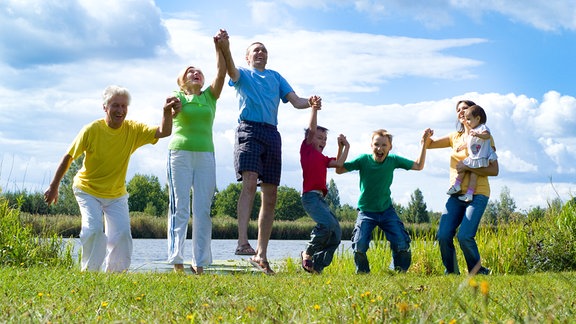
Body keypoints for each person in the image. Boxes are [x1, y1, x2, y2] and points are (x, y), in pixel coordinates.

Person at [44, 85, 180, 272]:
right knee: (93, 230)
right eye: (115, 105)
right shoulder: (91, 130)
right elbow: (68, 157)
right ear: (105, 107)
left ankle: (115, 276)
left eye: (124, 106)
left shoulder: (133, 130)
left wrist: (166, 112)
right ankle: (89, 273)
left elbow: (164, 132)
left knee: (123, 235)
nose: (120, 110)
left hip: (116, 194)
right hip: (87, 189)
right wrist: (54, 187)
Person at [218, 30, 321, 274]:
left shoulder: (276, 77)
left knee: (271, 195)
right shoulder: (242, 74)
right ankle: (243, 242)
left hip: (272, 134)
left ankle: (261, 254)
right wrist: (225, 46)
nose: (261, 52)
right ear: (248, 57)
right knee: (250, 181)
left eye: (264, 49)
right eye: (256, 49)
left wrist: (312, 101)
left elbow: (296, 101)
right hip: (249, 131)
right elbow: (230, 68)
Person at [166, 30, 227, 274]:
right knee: (179, 207)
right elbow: (169, 111)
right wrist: (171, 108)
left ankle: (200, 263)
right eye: (190, 70)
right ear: (182, 79)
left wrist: (218, 47)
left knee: (202, 210)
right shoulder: (177, 96)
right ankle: (177, 261)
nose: (195, 72)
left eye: (199, 71)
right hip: (179, 154)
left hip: (205, 156)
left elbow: (222, 73)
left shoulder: (210, 97)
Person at [336, 128, 431, 274]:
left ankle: (397, 271)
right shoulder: (363, 160)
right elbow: (339, 169)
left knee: (401, 243)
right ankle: (362, 272)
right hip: (366, 212)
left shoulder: (393, 160)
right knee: (359, 245)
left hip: (386, 211)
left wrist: (424, 143)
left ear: (390, 147)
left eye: (384, 145)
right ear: (371, 146)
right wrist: (342, 147)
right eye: (376, 145)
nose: (380, 148)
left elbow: (419, 166)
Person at [427, 100, 499, 275]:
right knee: (443, 235)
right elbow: (429, 145)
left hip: (478, 193)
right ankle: (451, 272)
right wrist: (425, 138)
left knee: (465, 236)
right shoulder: (455, 137)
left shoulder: (485, 136)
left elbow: (494, 169)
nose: (461, 112)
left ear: (475, 114)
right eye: (458, 110)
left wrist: (468, 167)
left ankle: (477, 270)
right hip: (456, 194)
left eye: (465, 109)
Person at [300, 104, 350, 274]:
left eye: (325, 139)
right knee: (326, 224)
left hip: (319, 199)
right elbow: (312, 129)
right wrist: (314, 109)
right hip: (310, 197)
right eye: (319, 138)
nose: (322, 141)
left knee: (336, 232)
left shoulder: (322, 159)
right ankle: (308, 252)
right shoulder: (306, 151)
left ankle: (317, 267)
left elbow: (339, 163)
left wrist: (344, 147)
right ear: (310, 137)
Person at [446, 105, 498, 203]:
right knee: (465, 171)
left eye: (469, 119)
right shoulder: (472, 131)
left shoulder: (482, 127)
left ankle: (465, 191)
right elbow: (469, 142)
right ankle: (460, 189)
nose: (467, 122)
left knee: (470, 172)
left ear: (478, 118)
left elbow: (487, 135)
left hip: (479, 157)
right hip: (474, 157)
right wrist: (462, 147)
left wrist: (477, 134)